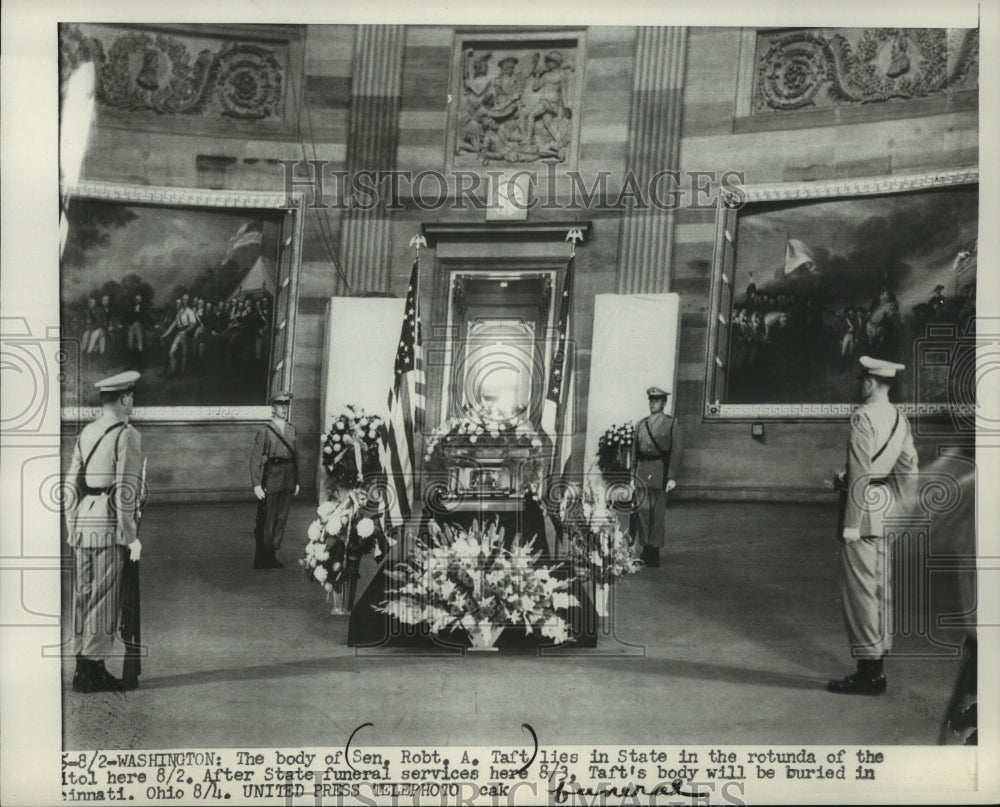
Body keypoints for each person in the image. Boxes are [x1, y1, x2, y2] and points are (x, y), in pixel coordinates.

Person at [828, 355, 918, 696]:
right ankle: (877, 660)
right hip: (886, 508)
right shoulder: (898, 417)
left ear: (870, 383)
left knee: (861, 594)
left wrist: (851, 524)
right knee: (881, 588)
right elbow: (909, 468)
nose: (859, 386)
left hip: (862, 514)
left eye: (861, 381)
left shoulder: (863, 417)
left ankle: (869, 674)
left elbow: (862, 472)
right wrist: (903, 510)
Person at [64, 371, 144, 693]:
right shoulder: (127, 434)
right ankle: (94, 672)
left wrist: (71, 525)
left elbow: (71, 483)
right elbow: (126, 488)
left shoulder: (87, 432)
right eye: (132, 397)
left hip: (84, 520)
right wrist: (131, 536)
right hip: (110, 522)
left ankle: (81, 668)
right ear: (124, 399)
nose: (133, 402)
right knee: (104, 599)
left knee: (83, 596)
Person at [630, 386, 684, 568]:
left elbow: (676, 451)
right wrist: (632, 475)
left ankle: (654, 550)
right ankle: (645, 547)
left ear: (664, 403)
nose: (653, 403)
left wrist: (672, 476)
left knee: (657, 514)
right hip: (642, 473)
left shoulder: (671, 424)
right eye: (651, 400)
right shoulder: (641, 424)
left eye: (657, 400)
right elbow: (634, 452)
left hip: (660, 473)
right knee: (642, 513)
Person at [249, 391, 300, 569]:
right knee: (268, 518)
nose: (284, 408)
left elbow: (296, 457)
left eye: (286, 405)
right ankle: (262, 555)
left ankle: (272, 554)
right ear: (273, 407)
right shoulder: (265, 431)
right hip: (271, 478)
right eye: (280, 405)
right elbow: (255, 459)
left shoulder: (292, 429)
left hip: (288, 479)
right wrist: (256, 484)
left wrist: (297, 480)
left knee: (281, 518)